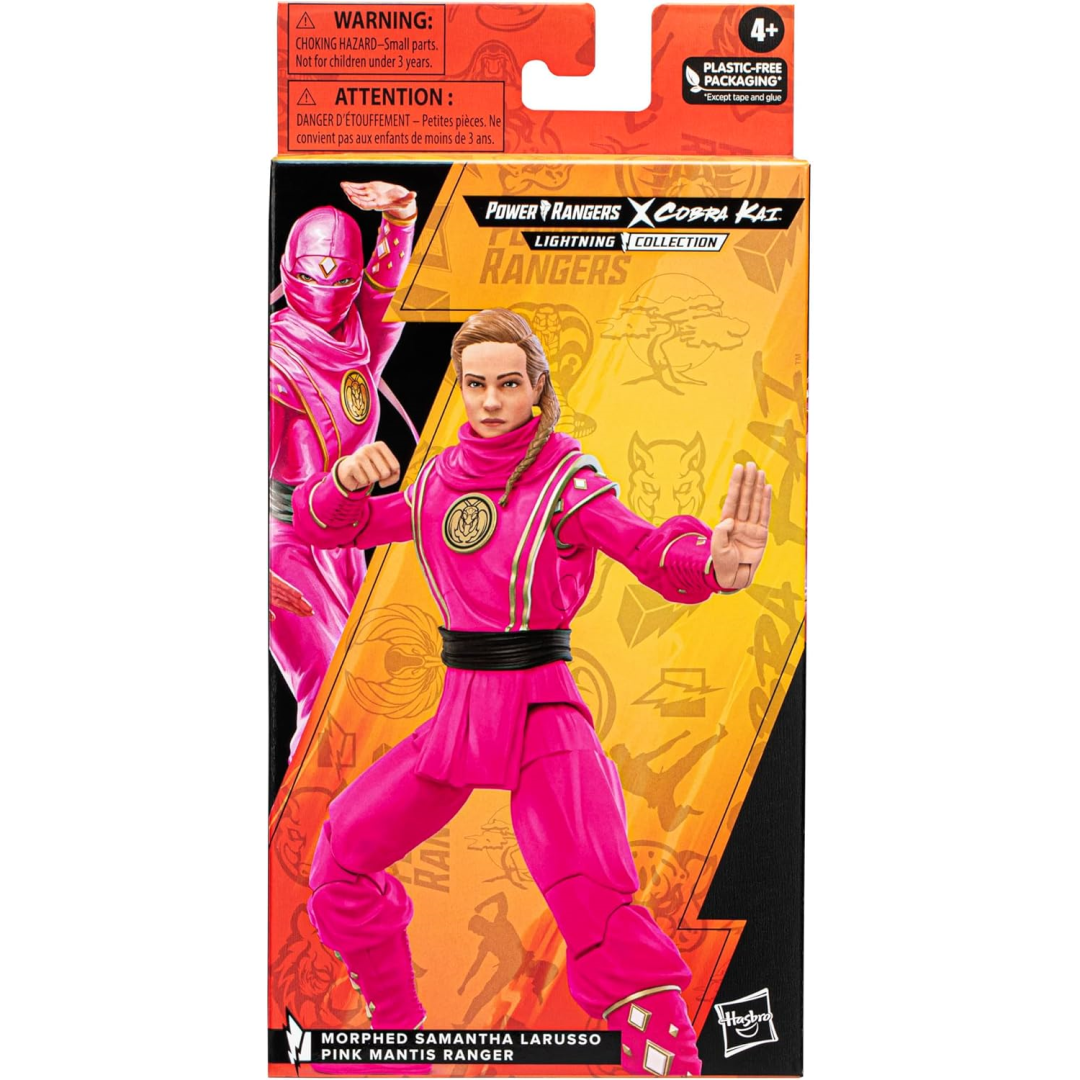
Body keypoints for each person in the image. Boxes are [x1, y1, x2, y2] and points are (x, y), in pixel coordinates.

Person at [290, 309, 772, 1076]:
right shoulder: (438, 481)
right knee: (341, 858)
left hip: (542, 715)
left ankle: (668, 1066)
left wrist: (713, 564)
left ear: (537, 389)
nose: (490, 400)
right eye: (475, 383)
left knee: (598, 909)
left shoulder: (565, 482)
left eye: (508, 384)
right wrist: (342, 483)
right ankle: (396, 1039)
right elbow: (334, 530)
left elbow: (645, 547)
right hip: (458, 718)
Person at [270, 181, 418, 756]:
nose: (326, 294)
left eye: (342, 281)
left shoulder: (360, 337)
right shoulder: (273, 360)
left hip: (343, 541)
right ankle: (301, 810)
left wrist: (400, 213)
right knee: (327, 685)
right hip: (283, 544)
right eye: (313, 278)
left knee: (366, 689)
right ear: (288, 273)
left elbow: (387, 284)